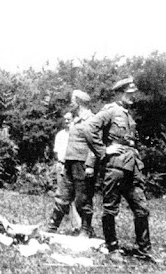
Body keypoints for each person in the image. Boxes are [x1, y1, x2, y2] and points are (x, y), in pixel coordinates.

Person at [83, 77, 153, 261]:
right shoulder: (110, 111)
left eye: (133, 94)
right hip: (114, 166)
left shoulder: (128, 115)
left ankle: (144, 250)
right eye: (128, 94)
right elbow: (89, 128)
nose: (132, 97)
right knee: (110, 208)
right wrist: (103, 150)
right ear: (119, 93)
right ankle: (112, 247)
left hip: (132, 166)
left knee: (142, 208)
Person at [47, 90, 97, 237]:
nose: (71, 104)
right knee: (62, 195)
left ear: (79, 102)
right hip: (69, 162)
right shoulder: (75, 120)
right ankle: (52, 228)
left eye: (72, 101)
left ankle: (85, 230)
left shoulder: (92, 120)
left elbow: (95, 145)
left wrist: (90, 165)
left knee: (83, 199)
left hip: (82, 164)